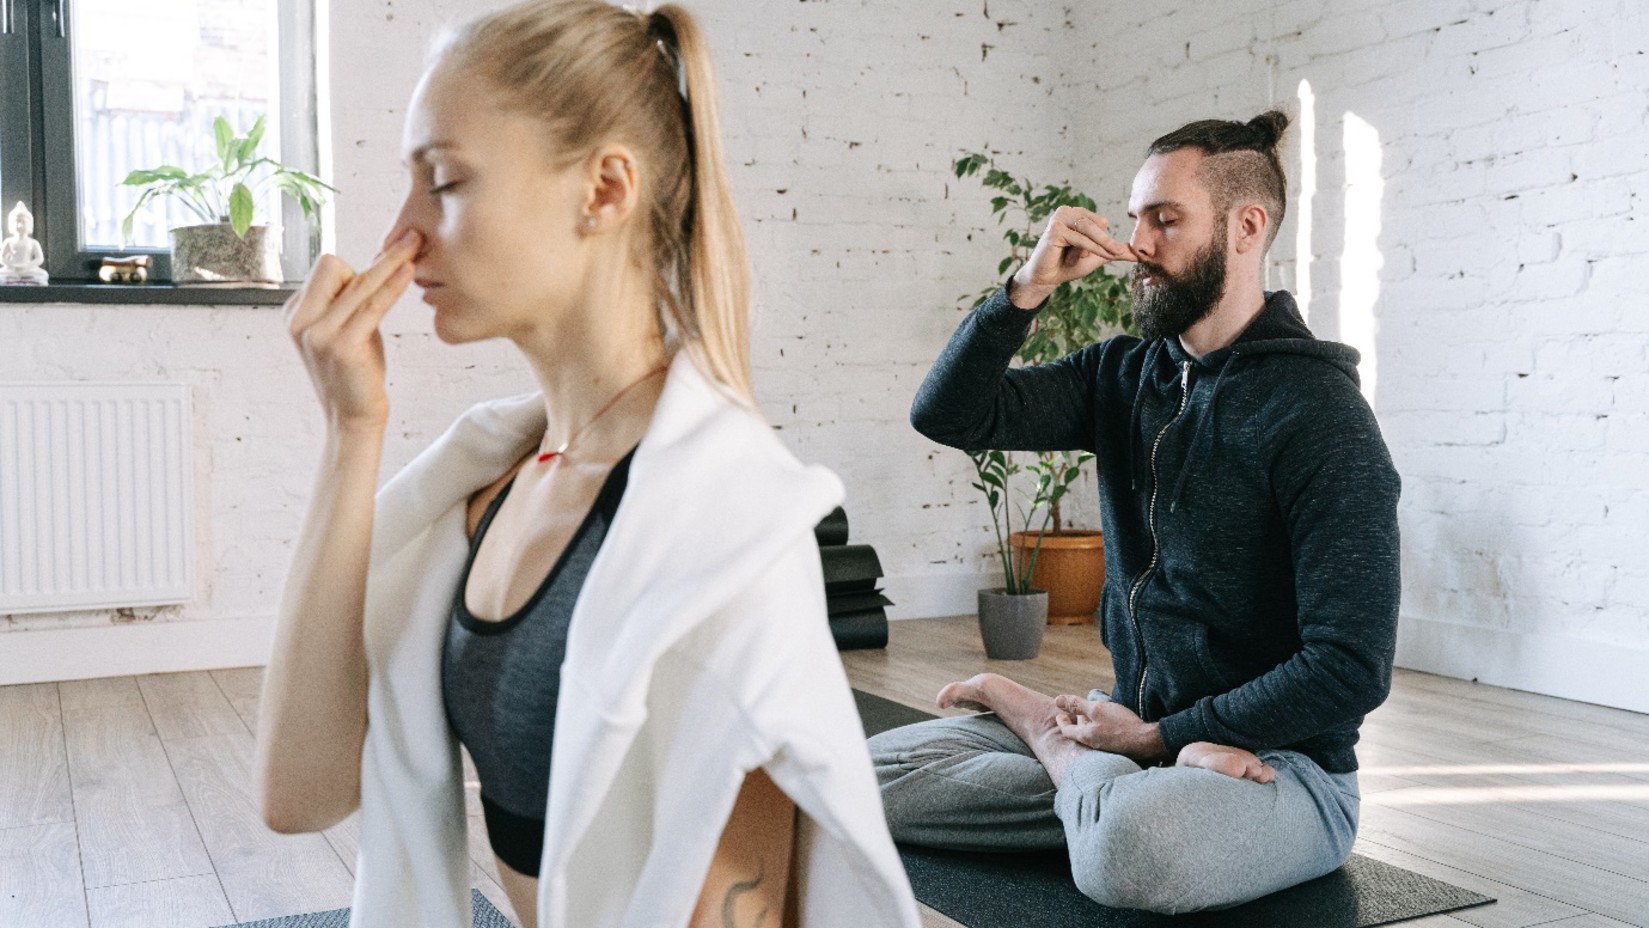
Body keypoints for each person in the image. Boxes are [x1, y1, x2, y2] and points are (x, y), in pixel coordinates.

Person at [252, 3, 920, 926]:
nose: (400, 233)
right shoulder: (494, 485)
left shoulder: (722, 528)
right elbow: (300, 793)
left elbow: (747, 912)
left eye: (442, 181)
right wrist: (350, 431)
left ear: (604, 189)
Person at [872, 111, 1401, 914]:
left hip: (1280, 772)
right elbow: (949, 413)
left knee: (1131, 849)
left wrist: (1158, 738)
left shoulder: (1320, 416)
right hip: (1133, 736)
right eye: (1133, 219)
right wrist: (1028, 289)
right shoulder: (1121, 375)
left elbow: (1348, 666)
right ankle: (1095, 784)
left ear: (1245, 227)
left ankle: (1066, 758)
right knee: (862, 780)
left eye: (1165, 219)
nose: (1135, 245)